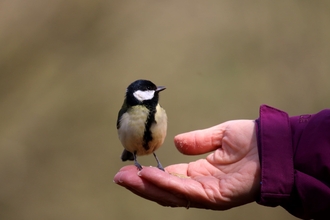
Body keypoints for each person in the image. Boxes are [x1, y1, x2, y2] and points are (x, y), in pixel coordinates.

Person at [114, 105, 330, 219]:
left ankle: (155, 164)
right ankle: (135, 159)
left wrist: (274, 151)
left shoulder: (160, 112)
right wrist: (278, 148)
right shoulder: (126, 113)